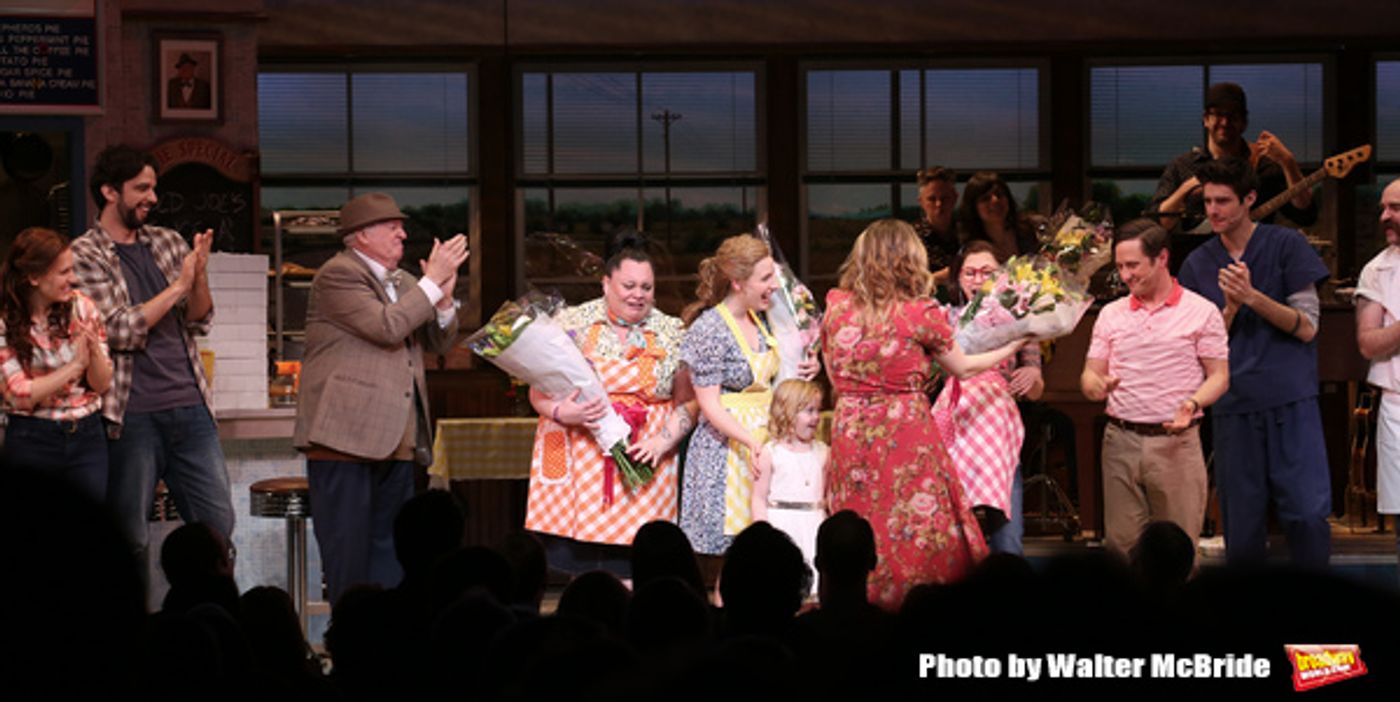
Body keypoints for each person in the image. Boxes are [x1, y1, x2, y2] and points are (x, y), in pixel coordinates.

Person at [821, 219, 1025, 609]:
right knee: (916, 524)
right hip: (905, 431)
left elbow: (833, 376)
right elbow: (962, 367)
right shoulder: (920, 312)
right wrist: (1017, 340)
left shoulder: (837, 307)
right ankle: (919, 609)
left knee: (859, 521)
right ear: (908, 260)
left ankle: (859, 605)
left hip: (852, 430)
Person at [293, 192, 468, 605]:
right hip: (344, 439)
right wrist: (428, 285)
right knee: (348, 557)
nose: (402, 234)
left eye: (401, 226)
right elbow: (387, 327)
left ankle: (390, 645)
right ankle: (350, 647)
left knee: (392, 555)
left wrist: (442, 302)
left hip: (398, 437)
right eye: (392, 227)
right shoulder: (338, 275)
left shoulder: (406, 282)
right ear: (360, 235)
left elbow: (439, 342)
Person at [72, 144, 234, 564]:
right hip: (131, 416)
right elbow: (117, 330)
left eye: (154, 187)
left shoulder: (166, 241)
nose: (153, 198)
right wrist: (178, 286)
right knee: (129, 539)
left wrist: (197, 277)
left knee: (218, 529)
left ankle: (213, 622)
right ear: (110, 191)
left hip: (191, 407)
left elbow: (199, 321)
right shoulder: (84, 254)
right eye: (141, 188)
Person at [1178, 157, 1331, 568]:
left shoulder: (1286, 245)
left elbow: (1307, 327)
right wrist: (1227, 309)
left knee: (1306, 514)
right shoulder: (1197, 264)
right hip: (1234, 406)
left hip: (1290, 400)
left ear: (1249, 199)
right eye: (1208, 201)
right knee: (1242, 527)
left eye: (1223, 201)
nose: (1213, 210)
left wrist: (1253, 298)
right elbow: (1199, 349)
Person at [524, 232, 695, 573]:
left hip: (645, 461)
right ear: (606, 283)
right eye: (628, 286)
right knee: (584, 569)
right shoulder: (571, 324)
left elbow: (688, 403)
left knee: (638, 566)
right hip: (583, 459)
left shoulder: (672, 330)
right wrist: (563, 411)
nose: (638, 295)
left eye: (646, 287)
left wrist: (661, 442)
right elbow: (537, 392)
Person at [1081, 219, 1229, 556]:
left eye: (1133, 265)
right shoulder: (1111, 314)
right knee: (1121, 549)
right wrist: (1096, 385)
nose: (1125, 275)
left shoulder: (1201, 311)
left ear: (1161, 258)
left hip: (1176, 443)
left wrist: (1191, 404)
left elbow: (1219, 376)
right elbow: (1090, 376)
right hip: (1120, 440)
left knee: (1177, 550)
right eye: (1120, 266)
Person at [678, 234, 818, 556]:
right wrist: (750, 440)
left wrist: (807, 362)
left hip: (765, 442)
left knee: (768, 550)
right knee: (735, 555)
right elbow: (709, 403)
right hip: (728, 451)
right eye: (765, 278)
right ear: (738, 282)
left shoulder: (764, 320)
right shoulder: (710, 329)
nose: (774, 285)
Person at [933, 241, 1043, 555]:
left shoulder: (1018, 321)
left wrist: (1032, 377)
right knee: (949, 532)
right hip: (955, 424)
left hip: (997, 430)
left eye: (987, 272)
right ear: (957, 277)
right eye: (969, 273)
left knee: (1007, 538)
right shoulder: (942, 317)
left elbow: (1036, 390)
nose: (977, 279)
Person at [1, 227, 113, 500]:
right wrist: (74, 367)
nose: (73, 279)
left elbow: (101, 384)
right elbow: (18, 395)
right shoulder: (5, 320)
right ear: (34, 277)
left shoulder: (82, 307)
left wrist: (94, 354)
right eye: (64, 272)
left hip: (86, 433)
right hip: (32, 438)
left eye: (72, 270)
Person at [1150, 82, 1316, 233]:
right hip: (1197, 262)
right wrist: (1187, 189)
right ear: (1206, 120)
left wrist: (1288, 162)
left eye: (1232, 116)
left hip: (1255, 262)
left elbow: (1305, 214)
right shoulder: (1182, 166)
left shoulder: (1264, 167)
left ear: (1244, 122)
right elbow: (1158, 224)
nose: (1224, 122)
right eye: (1218, 115)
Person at [1353, 177, 1400, 579]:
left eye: (1395, 208)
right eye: (1384, 207)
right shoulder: (1377, 270)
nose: (1385, 216)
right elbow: (1368, 343)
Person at [750, 378, 827, 594]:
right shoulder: (770, 453)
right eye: (809, 411)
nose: (816, 418)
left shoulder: (823, 452)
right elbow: (758, 498)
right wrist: (763, 533)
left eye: (818, 410)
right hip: (781, 523)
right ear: (788, 412)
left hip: (813, 524)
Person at [957, 171, 1039, 261]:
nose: (995, 200)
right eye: (986, 198)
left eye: (999, 194)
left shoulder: (1028, 231)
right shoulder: (970, 249)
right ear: (973, 208)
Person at [914, 166, 960, 295]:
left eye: (945, 198)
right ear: (921, 202)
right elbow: (902, 283)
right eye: (932, 199)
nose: (939, 204)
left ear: (955, 198)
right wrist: (938, 278)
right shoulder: (910, 239)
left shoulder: (968, 233)